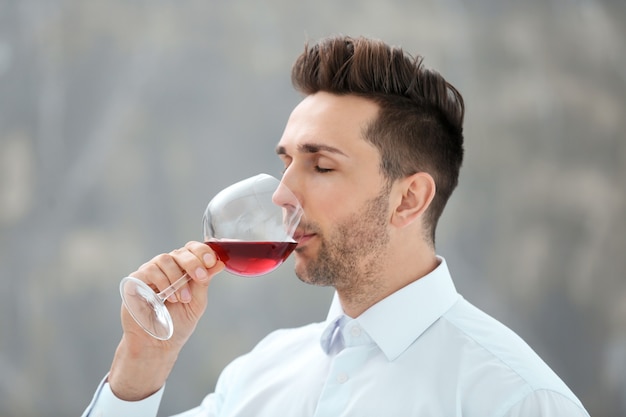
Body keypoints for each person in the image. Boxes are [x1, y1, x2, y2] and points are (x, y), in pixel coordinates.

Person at [82, 35, 589, 416]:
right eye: (286, 161)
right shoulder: (260, 374)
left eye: (321, 166)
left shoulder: (517, 399)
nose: (281, 193)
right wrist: (144, 360)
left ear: (409, 198)